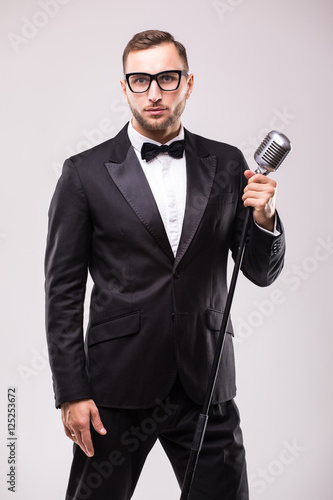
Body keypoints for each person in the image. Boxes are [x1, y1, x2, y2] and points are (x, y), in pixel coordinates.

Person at [45, 29, 285, 500]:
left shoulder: (229, 162)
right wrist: (72, 391)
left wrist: (265, 216)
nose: (153, 92)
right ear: (124, 87)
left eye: (167, 78)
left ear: (188, 84)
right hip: (116, 387)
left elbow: (260, 272)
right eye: (140, 80)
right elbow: (62, 293)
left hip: (206, 378)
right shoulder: (83, 173)